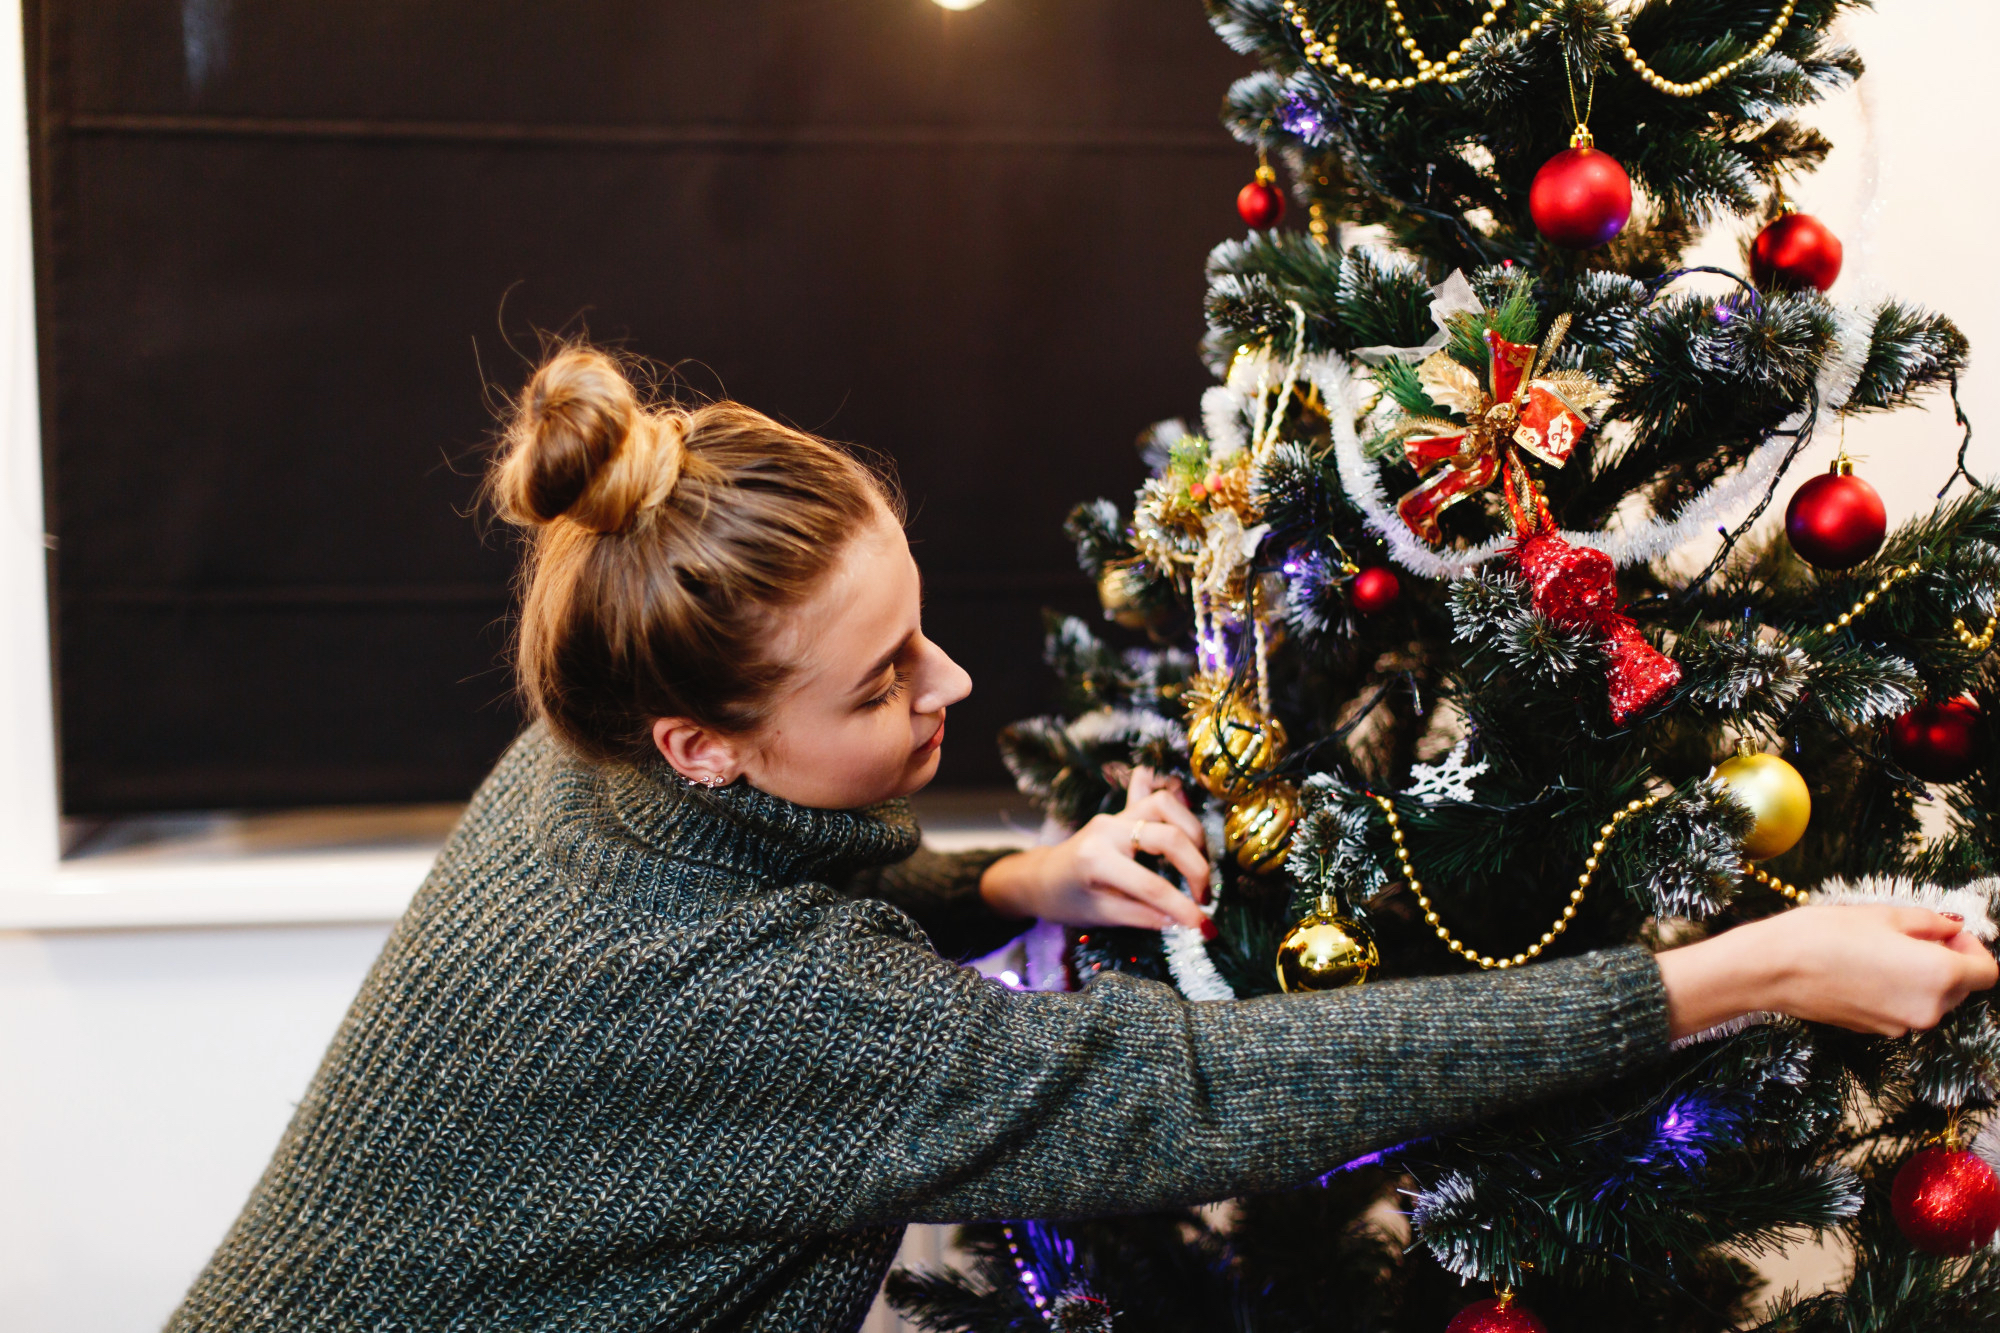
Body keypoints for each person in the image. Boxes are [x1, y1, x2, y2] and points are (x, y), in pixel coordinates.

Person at [168, 347, 1997, 1332]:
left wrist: (1010, 880)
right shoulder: (777, 999)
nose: (950, 683)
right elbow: (1218, 1090)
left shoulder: (579, 762)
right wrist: (1740, 968)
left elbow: (760, 897)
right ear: (704, 740)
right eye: (884, 681)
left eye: (921, 627)